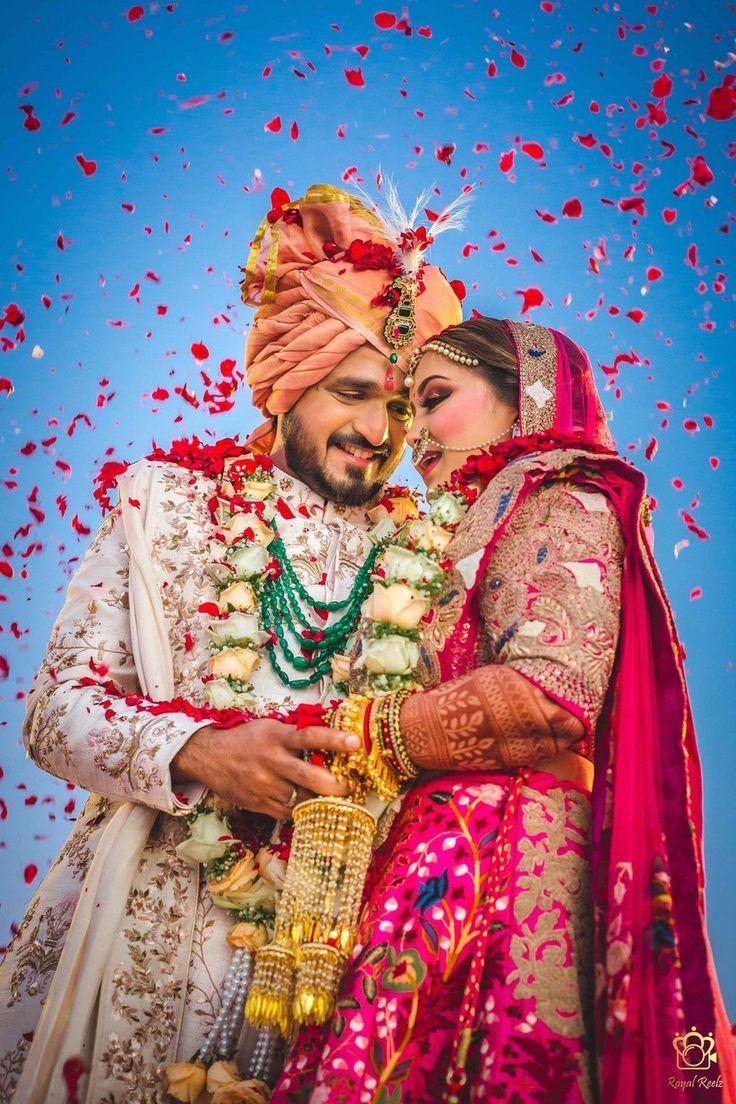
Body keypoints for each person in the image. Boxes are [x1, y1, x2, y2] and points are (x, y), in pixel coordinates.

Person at [0, 183, 463, 1104]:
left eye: (405, 407)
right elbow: (58, 714)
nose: (379, 434)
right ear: (290, 384)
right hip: (148, 924)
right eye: (354, 394)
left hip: (349, 964)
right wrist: (202, 751)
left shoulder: (442, 554)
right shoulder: (165, 505)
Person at [269, 316, 736, 1104]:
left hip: (503, 862)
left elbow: (547, 695)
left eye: (435, 398)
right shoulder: (482, 517)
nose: (411, 435)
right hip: (435, 857)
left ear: (529, 400)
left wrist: (366, 732)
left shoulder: (564, 491)